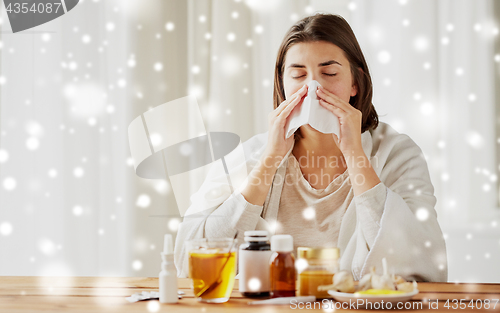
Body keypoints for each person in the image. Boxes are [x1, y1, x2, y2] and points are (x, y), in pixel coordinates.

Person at [174, 13, 448, 282]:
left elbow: (419, 265)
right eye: (298, 74)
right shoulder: (251, 155)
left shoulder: (398, 154)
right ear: (282, 84)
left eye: (328, 73)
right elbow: (190, 261)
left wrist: (355, 155)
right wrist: (270, 160)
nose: (313, 88)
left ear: (355, 82)